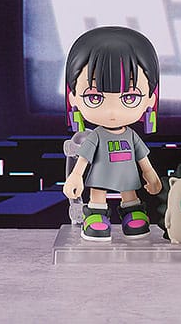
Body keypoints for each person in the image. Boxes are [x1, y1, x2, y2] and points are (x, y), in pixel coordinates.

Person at [62, 26, 162, 241]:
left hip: (127, 176)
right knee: (98, 192)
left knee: (129, 192)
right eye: (94, 97)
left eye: (130, 97)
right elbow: (83, 160)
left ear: (150, 99)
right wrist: (75, 177)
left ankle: (132, 211)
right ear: (73, 97)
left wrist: (150, 175)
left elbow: (143, 160)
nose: (113, 111)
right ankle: (95, 214)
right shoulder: (96, 136)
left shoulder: (131, 136)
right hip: (100, 175)